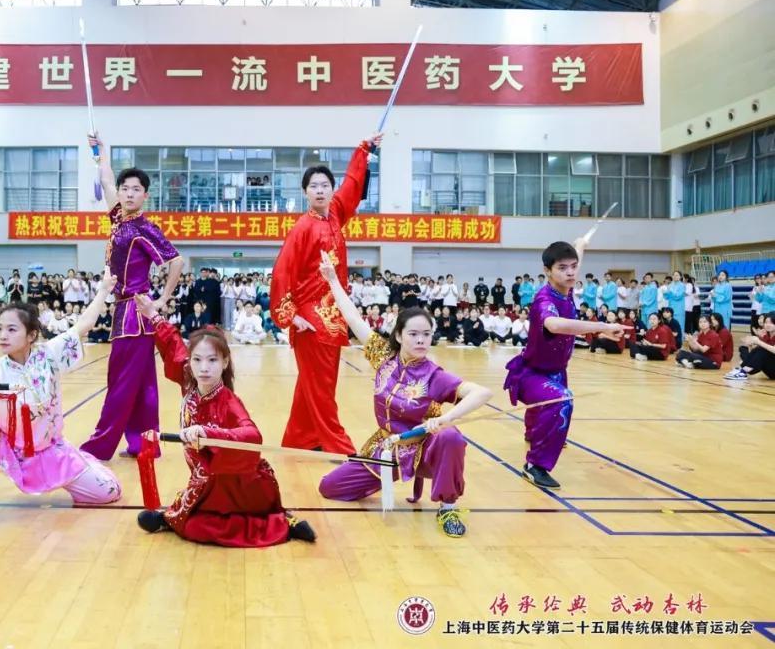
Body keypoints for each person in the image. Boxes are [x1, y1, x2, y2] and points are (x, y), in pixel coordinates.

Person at [316, 253, 492, 538]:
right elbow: (352, 317)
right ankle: (384, 476)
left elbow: (482, 392)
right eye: (413, 334)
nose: (421, 340)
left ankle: (448, 506)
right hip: (387, 446)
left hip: (422, 448)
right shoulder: (384, 356)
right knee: (329, 488)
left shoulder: (434, 375)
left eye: (426, 334)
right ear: (398, 336)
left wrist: (445, 419)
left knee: (450, 436)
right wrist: (333, 280)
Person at [0, 276, 123, 532]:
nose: (2, 335)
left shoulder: (50, 355)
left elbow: (84, 324)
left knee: (108, 492)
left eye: (11, 329)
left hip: (51, 451)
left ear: (31, 335)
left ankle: (85, 461)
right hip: (7, 451)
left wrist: (104, 290)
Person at [134, 297, 315, 546]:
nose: (204, 368)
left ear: (225, 362)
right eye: (197, 360)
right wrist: (153, 315)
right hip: (204, 479)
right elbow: (173, 344)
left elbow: (252, 435)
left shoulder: (229, 402)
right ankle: (171, 518)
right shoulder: (189, 378)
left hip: (237, 482)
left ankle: (282, 522)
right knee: (194, 525)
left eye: (212, 360)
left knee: (199, 528)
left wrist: (208, 433)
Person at [269, 132, 382, 455]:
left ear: (331, 190)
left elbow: (353, 185)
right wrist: (291, 317)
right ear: (305, 192)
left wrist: (364, 150)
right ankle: (340, 446)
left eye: (325, 185)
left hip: (333, 316)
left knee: (315, 382)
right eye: (313, 186)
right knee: (320, 385)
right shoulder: (302, 228)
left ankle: (300, 439)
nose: (320, 190)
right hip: (311, 320)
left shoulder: (335, 215)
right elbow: (282, 272)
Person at [80, 135, 184, 461]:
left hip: (134, 314)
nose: (127, 193)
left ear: (145, 195)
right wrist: (100, 151)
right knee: (141, 384)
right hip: (125, 312)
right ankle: (143, 444)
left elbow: (176, 261)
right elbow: (106, 179)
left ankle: (99, 445)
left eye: (135, 189)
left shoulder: (144, 227)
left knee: (121, 383)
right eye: (125, 188)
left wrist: (161, 300)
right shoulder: (117, 218)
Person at [502, 239, 628, 489]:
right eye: (562, 268)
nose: (571, 272)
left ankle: (534, 434)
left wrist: (581, 245)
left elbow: (573, 261)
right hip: (532, 374)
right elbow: (554, 324)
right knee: (561, 400)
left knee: (551, 402)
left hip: (557, 371)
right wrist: (601, 327)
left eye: (574, 267)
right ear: (547, 271)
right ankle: (535, 466)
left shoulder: (565, 288)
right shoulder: (544, 300)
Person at [724, 312, 775, 381]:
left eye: (771, 323)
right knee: (750, 349)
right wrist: (750, 344)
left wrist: (758, 342)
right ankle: (743, 370)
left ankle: (743, 371)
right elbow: (755, 353)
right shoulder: (766, 336)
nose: (768, 325)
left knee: (762, 350)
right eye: (766, 322)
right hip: (770, 370)